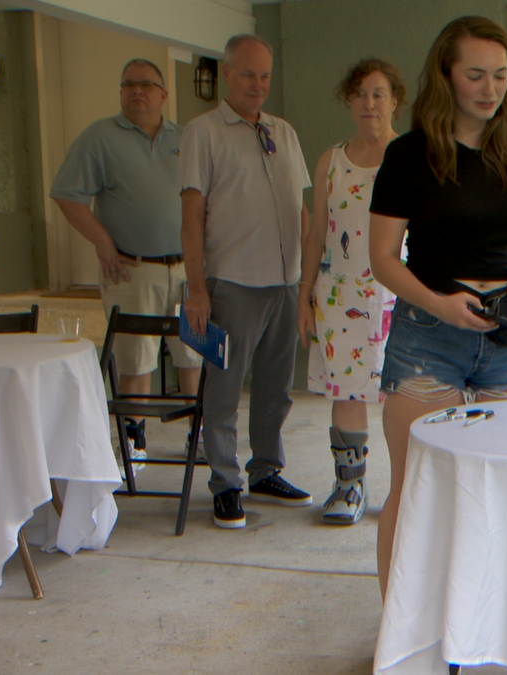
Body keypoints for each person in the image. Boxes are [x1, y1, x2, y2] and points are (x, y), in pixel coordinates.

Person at [367, 15, 507, 595]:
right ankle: (400, 633)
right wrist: (440, 304)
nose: (490, 88)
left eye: (500, 75)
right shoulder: (407, 156)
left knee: (503, 488)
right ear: (446, 76)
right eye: (476, 75)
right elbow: (384, 259)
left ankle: (488, 628)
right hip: (428, 335)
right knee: (417, 486)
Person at [180, 34, 314, 529]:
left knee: (277, 387)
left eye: (265, 76)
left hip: (285, 282)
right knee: (224, 389)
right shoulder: (203, 132)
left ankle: (265, 469)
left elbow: (299, 208)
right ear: (227, 75)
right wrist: (197, 289)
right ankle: (224, 483)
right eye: (248, 75)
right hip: (233, 281)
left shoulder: (284, 131)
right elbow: (191, 216)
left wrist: (307, 278)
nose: (258, 85)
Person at [49, 58, 203, 468]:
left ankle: (197, 435)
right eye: (129, 85)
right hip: (132, 270)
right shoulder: (98, 138)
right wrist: (101, 240)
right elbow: (66, 194)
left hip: (188, 271)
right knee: (136, 360)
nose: (138, 91)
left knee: (194, 354)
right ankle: (133, 440)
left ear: (164, 94)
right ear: (120, 92)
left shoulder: (186, 138)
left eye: (148, 85)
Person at [297, 58, 409, 525]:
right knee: (347, 393)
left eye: (378, 93)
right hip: (339, 294)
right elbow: (318, 231)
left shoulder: (412, 157)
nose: (369, 103)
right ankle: (349, 486)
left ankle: (407, 494)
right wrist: (305, 293)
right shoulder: (331, 160)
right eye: (360, 94)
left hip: (399, 294)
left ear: (394, 101)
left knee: (407, 396)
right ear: (349, 101)